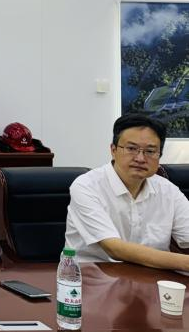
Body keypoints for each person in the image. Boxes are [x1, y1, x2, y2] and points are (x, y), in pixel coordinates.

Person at [65, 113, 189, 266]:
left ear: (159, 155)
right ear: (113, 150)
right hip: (93, 274)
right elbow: (115, 248)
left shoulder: (169, 191)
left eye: (150, 151)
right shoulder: (86, 186)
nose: (140, 158)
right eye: (131, 148)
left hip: (153, 275)